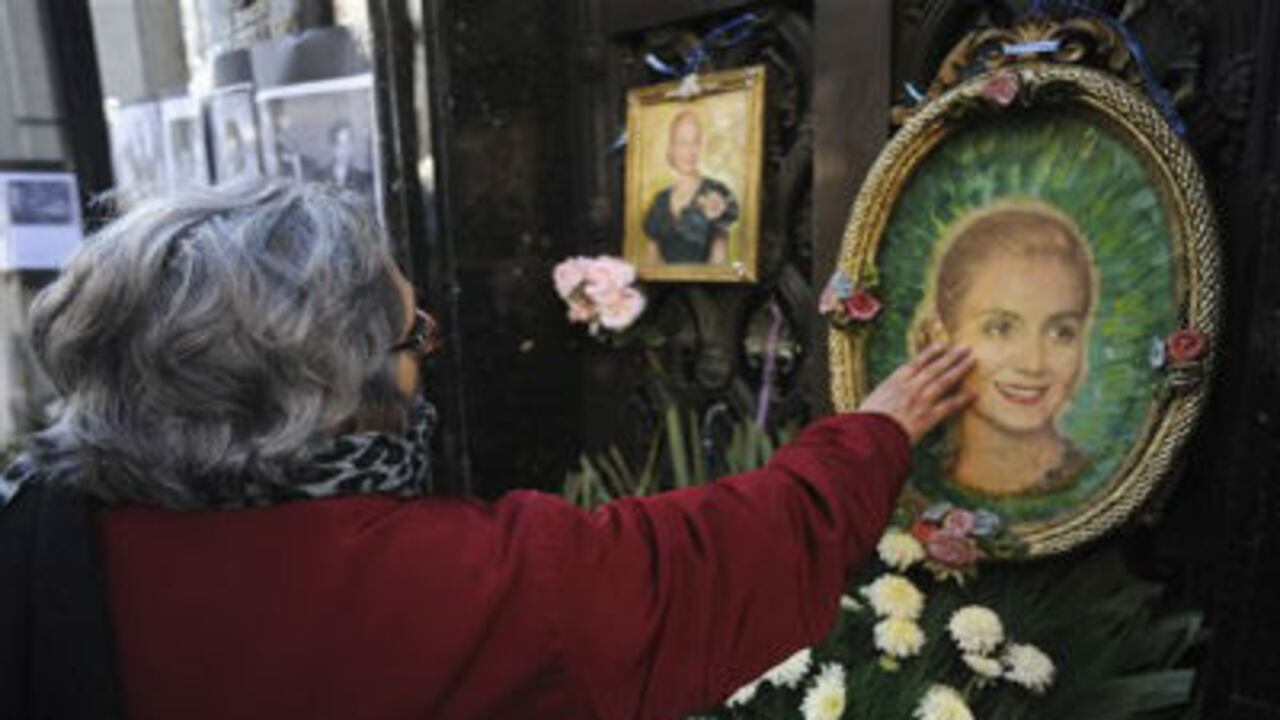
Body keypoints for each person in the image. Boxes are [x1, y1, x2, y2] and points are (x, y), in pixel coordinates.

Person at [0, 182, 973, 720]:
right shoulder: (455, 589)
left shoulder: (34, 531)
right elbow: (714, 560)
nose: (425, 359)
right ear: (327, 392)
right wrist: (875, 432)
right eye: (413, 340)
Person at [910, 198, 1098, 497]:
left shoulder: (1100, 483)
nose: (1033, 363)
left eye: (1061, 332)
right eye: (1000, 328)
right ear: (941, 338)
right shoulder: (916, 486)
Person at [642, 110, 739, 265]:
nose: (690, 152)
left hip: (709, 287)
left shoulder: (717, 191)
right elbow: (651, 262)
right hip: (663, 288)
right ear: (672, 148)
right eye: (683, 143)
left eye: (695, 142)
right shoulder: (659, 202)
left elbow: (719, 262)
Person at [324, 120, 374, 195]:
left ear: (352, 147)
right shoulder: (320, 177)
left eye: (347, 144)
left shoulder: (362, 179)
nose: (344, 150)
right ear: (332, 148)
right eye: (339, 145)